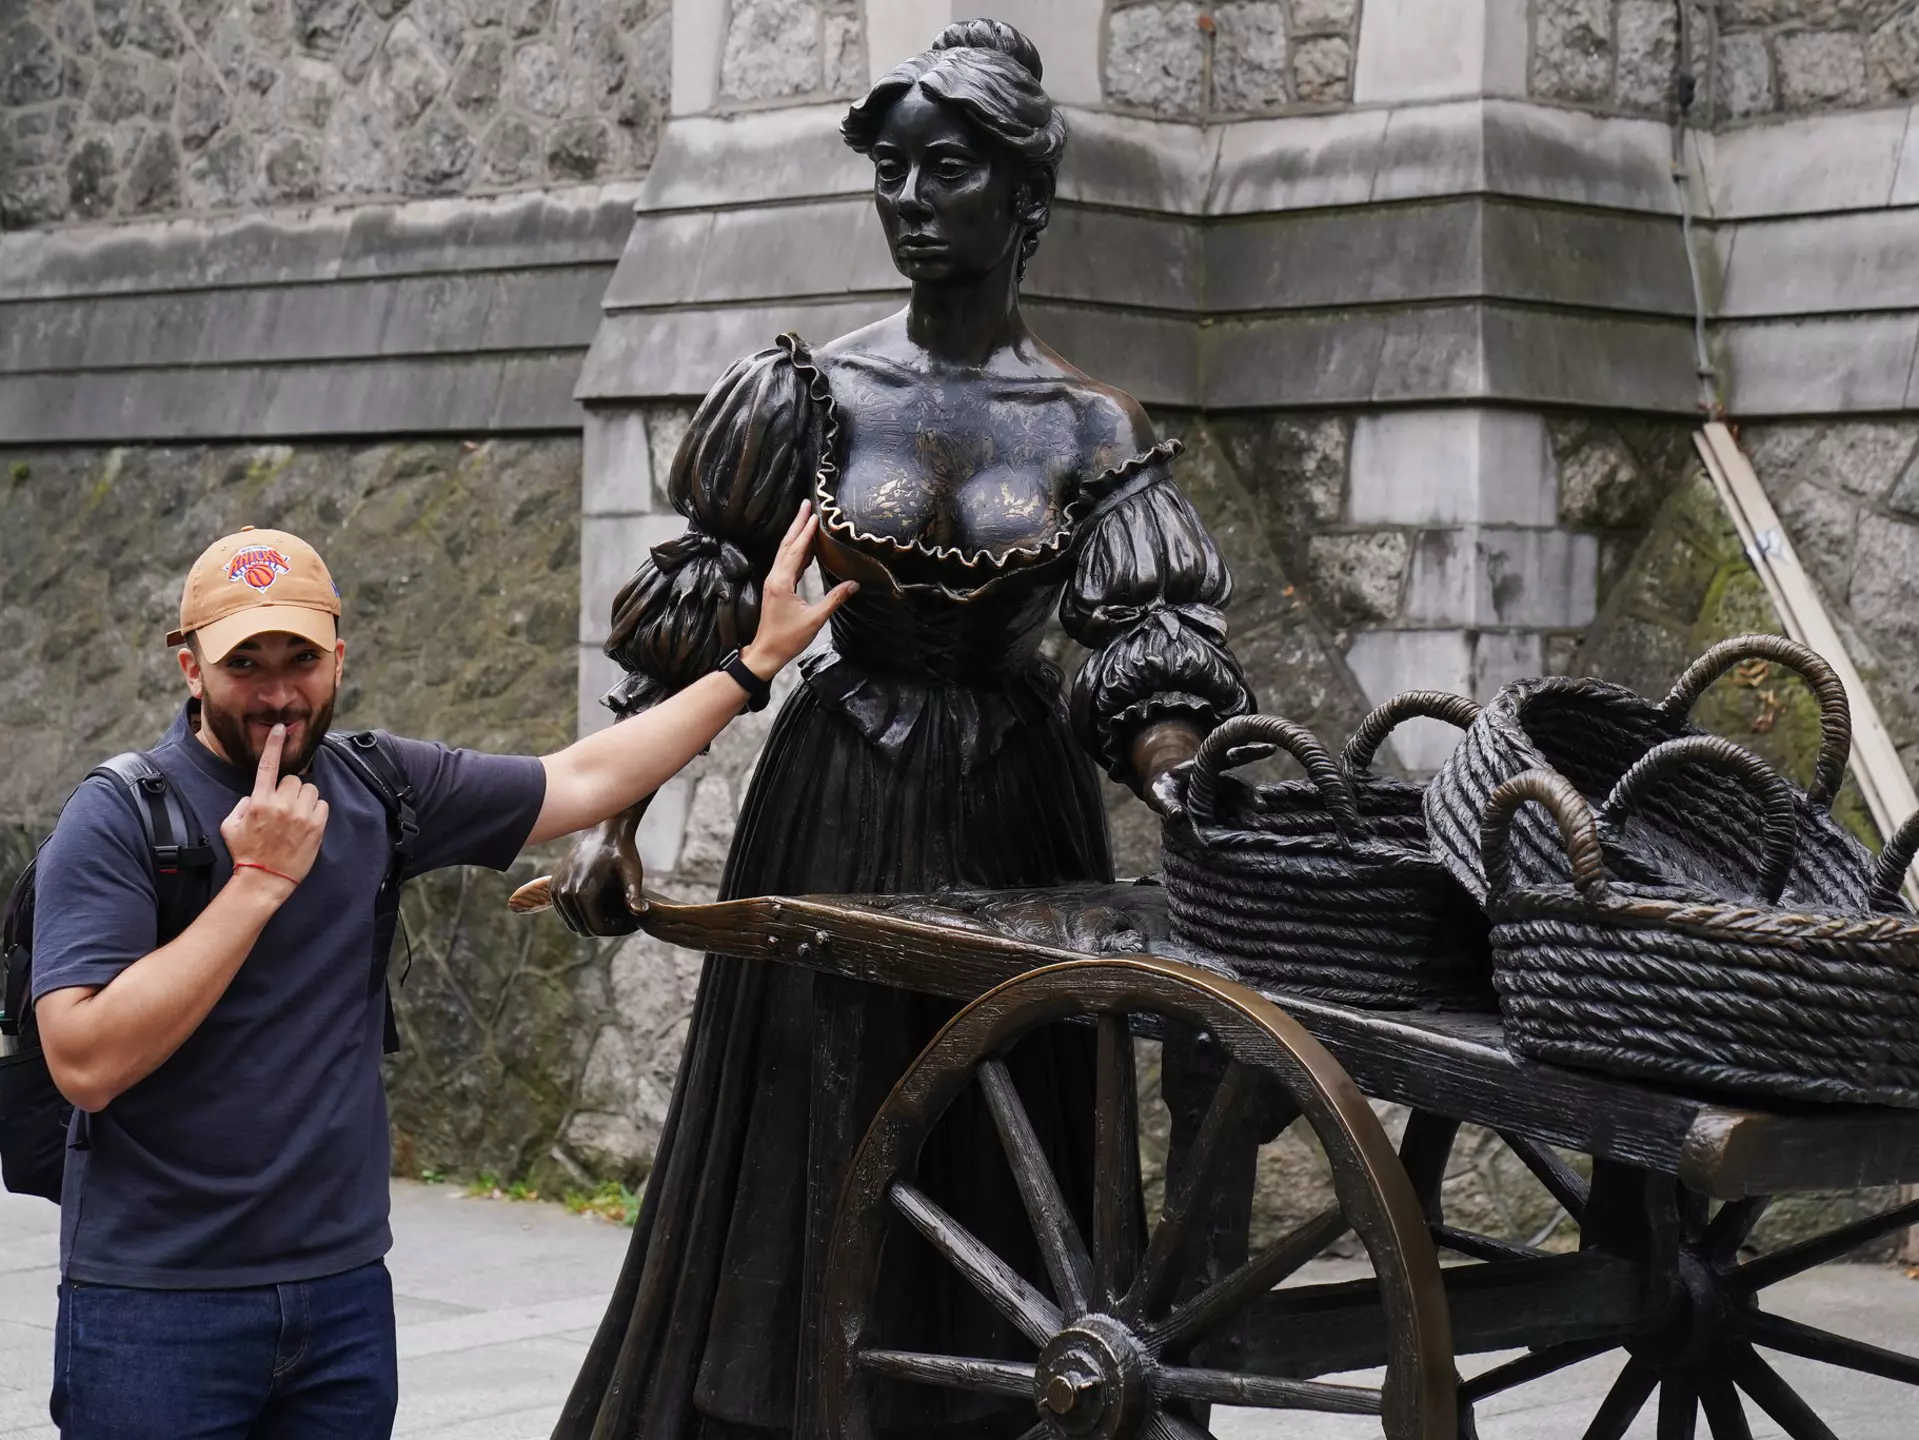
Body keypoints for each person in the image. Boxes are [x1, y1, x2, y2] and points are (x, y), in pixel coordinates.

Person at [548, 20, 1254, 1439]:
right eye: (891, 170)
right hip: (840, 803)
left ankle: (995, 1407)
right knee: (815, 1119)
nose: (911, 200)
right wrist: (610, 831)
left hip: (1016, 816)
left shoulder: (1089, 430)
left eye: (948, 169)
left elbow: (1148, 659)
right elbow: (697, 624)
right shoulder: (806, 398)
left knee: (1012, 1131)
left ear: (1027, 198)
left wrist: (1183, 788)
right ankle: (785, 1407)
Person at [27, 509, 851, 1439]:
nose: (278, 693)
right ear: (191, 669)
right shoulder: (121, 817)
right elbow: (85, 1062)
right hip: (158, 1308)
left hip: (341, 1296)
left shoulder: (380, 786)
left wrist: (753, 665)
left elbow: (582, 779)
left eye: (300, 659)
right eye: (243, 663)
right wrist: (256, 882)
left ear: (339, 658)